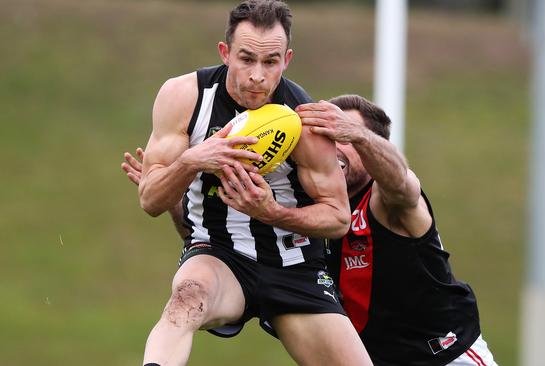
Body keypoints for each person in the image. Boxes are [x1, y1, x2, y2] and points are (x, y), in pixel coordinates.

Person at [124, 95, 498, 365]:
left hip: (443, 355)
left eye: (343, 138)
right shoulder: (298, 211)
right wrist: (177, 197)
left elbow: (402, 182)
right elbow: (214, 244)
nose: (331, 147)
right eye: (324, 137)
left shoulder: (387, 201)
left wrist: (363, 136)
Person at [132, 0, 372, 365]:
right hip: (219, 254)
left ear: (287, 60)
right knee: (184, 300)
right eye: (246, 59)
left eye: (270, 62)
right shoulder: (185, 97)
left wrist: (271, 211)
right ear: (225, 53)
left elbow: (338, 218)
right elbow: (149, 199)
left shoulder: (305, 119)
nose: (257, 75)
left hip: (295, 264)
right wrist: (192, 161)